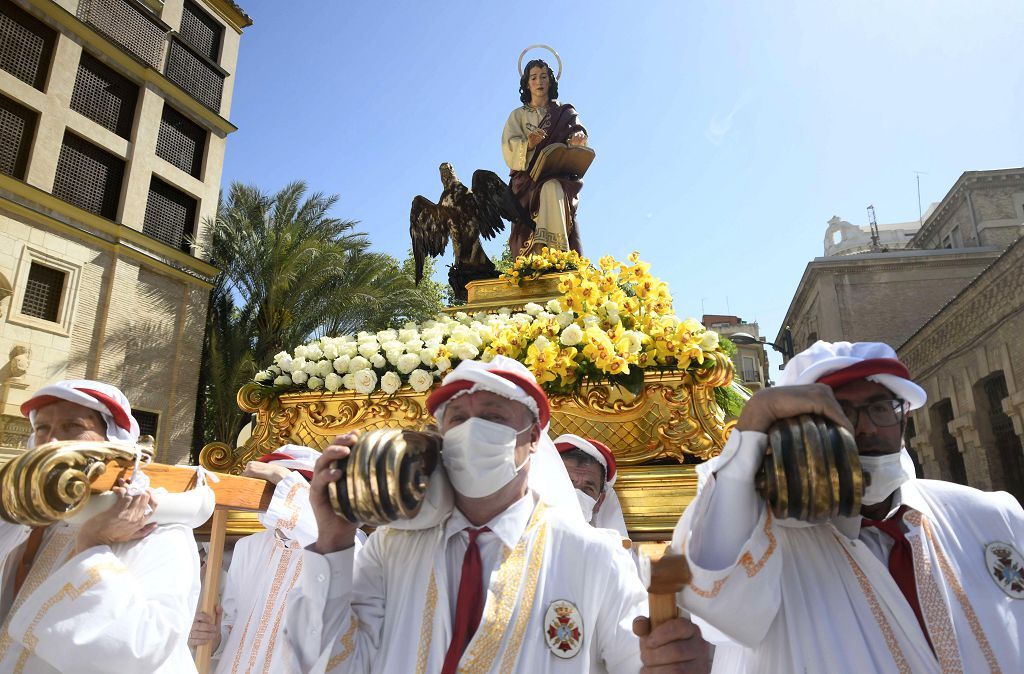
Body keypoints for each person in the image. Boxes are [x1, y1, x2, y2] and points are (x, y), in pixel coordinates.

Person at [285, 356, 709, 673]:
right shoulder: (390, 548)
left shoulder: (592, 556)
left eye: (492, 417)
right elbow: (328, 663)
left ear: (533, 437)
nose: (472, 430)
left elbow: (643, 663)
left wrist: (673, 661)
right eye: (458, 419)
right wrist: (335, 540)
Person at [673, 341, 1024, 673]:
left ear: (903, 419)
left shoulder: (992, 517)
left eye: (880, 408)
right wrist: (752, 429)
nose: (867, 427)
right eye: (840, 412)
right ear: (795, 434)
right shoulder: (763, 543)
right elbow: (709, 595)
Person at [0, 380, 203, 673]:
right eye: (42, 428)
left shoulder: (157, 527)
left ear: (114, 441)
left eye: (72, 426)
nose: (53, 442)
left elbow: (141, 647)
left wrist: (93, 547)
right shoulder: (22, 520)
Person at [189, 445, 320, 673]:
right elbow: (234, 622)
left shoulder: (342, 543)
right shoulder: (248, 547)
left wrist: (284, 477)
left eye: (279, 490)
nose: (272, 499)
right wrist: (215, 638)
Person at [502, 58, 588, 256]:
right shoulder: (518, 115)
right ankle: (538, 252)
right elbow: (509, 147)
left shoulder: (565, 112)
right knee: (546, 188)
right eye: (534, 78)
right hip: (528, 178)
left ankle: (559, 253)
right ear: (527, 83)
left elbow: (580, 136)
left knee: (552, 187)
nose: (539, 82)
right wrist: (528, 143)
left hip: (559, 174)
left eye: (543, 77)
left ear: (551, 81)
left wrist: (577, 141)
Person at [555, 434, 629, 538]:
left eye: (588, 489)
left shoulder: (606, 552)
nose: (576, 494)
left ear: (599, 502)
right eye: (568, 484)